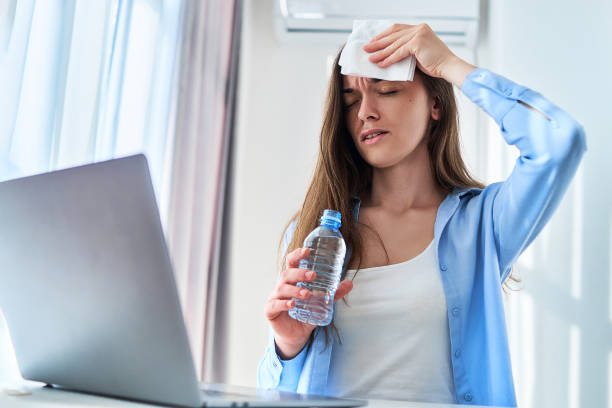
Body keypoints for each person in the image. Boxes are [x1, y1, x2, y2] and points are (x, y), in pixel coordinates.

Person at [258, 23, 586, 406]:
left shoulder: (482, 225)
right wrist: (287, 345)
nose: (365, 111)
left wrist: (449, 64)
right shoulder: (315, 231)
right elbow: (272, 391)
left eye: (387, 90)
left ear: (436, 104)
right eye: (350, 101)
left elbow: (560, 140)